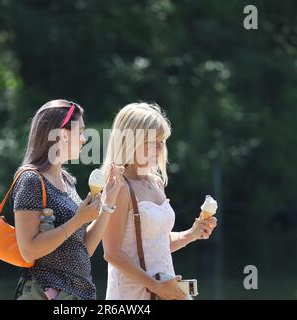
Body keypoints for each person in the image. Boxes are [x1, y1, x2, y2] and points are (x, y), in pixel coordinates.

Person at [102, 102, 217, 300]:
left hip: (165, 289)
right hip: (133, 295)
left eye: (162, 140)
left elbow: (155, 243)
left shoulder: (156, 182)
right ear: (131, 142)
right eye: (152, 141)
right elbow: (112, 253)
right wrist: (157, 287)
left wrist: (192, 234)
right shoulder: (119, 186)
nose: (160, 147)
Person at [12, 99, 124, 300]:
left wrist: (108, 202)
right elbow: (28, 251)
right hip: (47, 293)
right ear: (63, 134)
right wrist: (78, 220)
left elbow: (84, 249)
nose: (83, 139)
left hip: (77, 295)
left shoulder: (66, 180)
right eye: (80, 132)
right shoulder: (30, 179)